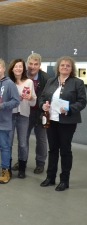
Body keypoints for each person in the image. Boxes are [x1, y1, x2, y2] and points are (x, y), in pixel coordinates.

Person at [39, 56, 86, 191]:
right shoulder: (50, 81)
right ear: (58, 67)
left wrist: (69, 109)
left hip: (67, 122)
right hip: (51, 120)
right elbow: (42, 97)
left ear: (72, 69)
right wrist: (43, 106)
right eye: (62, 65)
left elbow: (82, 102)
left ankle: (64, 180)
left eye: (68, 66)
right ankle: (50, 177)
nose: (65, 67)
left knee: (65, 150)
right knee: (53, 149)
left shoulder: (77, 83)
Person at [8, 59, 37, 178]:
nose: (18, 69)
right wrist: (14, 100)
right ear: (12, 68)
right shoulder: (8, 82)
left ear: (23, 68)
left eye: (20, 66)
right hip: (9, 115)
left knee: (23, 143)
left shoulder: (29, 82)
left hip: (24, 115)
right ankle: (7, 167)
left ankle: (22, 168)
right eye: (16, 67)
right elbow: (3, 100)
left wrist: (30, 97)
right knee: (8, 142)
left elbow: (34, 101)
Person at [21, 53, 50, 174]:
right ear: (27, 64)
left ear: (39, 65)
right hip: (25, 112)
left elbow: (47, 96)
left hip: (40, 113)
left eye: (35, 64)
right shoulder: (22, 76)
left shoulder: (46, 78)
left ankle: (40, 163)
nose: (32, 66)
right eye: (30, 64)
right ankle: (22, 160)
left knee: (41, 139)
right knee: (23, 139)